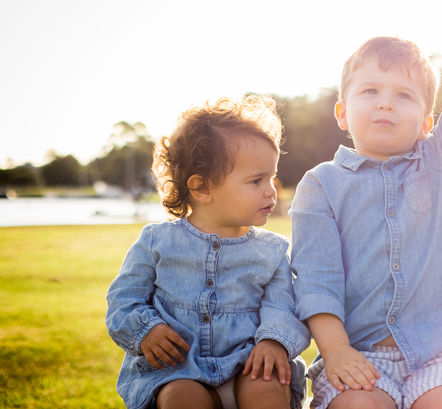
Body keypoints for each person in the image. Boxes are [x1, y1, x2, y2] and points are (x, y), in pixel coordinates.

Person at [288, 1, 442, 408]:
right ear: (342, 112)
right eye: (370, 91)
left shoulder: (438, 157)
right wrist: (336, 351)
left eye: (404, 95)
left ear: (427, 122)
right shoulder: (321, 184)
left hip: (438, 353)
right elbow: (317, 282)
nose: (385, 102)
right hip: (357, 354)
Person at [105, 96, 310, 409]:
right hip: (177, 370)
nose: (272, 190)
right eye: (256, 180)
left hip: (249, 364)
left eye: (272, 177)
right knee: (179, 397)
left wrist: (273, 340)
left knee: (268, 386)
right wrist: (147, 330)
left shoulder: (271, 251)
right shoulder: (157, 242)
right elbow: (123, 300)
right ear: (202, 188)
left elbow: (283, 307)